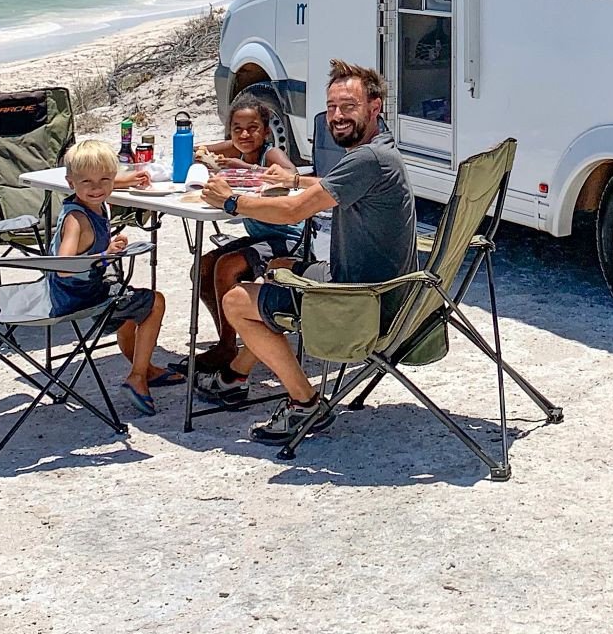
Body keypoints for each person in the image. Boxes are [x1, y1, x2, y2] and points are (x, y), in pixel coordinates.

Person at [196, 59, 416, 442]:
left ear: (374, 107)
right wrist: (296, 178)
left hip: (361, 301)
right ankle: (235, 376)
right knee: (279, 266)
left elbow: (292, 212)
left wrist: (231, 201)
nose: (337, 116)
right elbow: (330, 185)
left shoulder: (367, 159)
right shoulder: (379, 150)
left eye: (348, 106)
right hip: (390, 288)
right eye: (331, 107)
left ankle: (304, 402)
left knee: (236, 300)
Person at [50, 139, 180, 415]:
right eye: (87, 182)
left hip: (76, 290)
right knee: (154, 302)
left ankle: (144, 367)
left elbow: (98, 184)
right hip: (80, 297)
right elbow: (63, 266)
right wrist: (104, 254)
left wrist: (129, 180)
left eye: (105, 180)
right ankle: (137, 377)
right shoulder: (77, 220)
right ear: (71, 183)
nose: (97, 188)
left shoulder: (88, 199)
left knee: (129, 301)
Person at [189, 93, 303, 375]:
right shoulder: (236, 147)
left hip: (287, 237)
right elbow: (196, 150)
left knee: (226, 266)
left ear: (266, 132)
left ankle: (227, 346)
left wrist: (247, 168)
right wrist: (219, 151)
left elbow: (289, 173)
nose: (245, 135)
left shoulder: (269, 154)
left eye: (253, 128)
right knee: (203, 267)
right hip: (260, 237)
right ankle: (226, 339)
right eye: (237, 128)